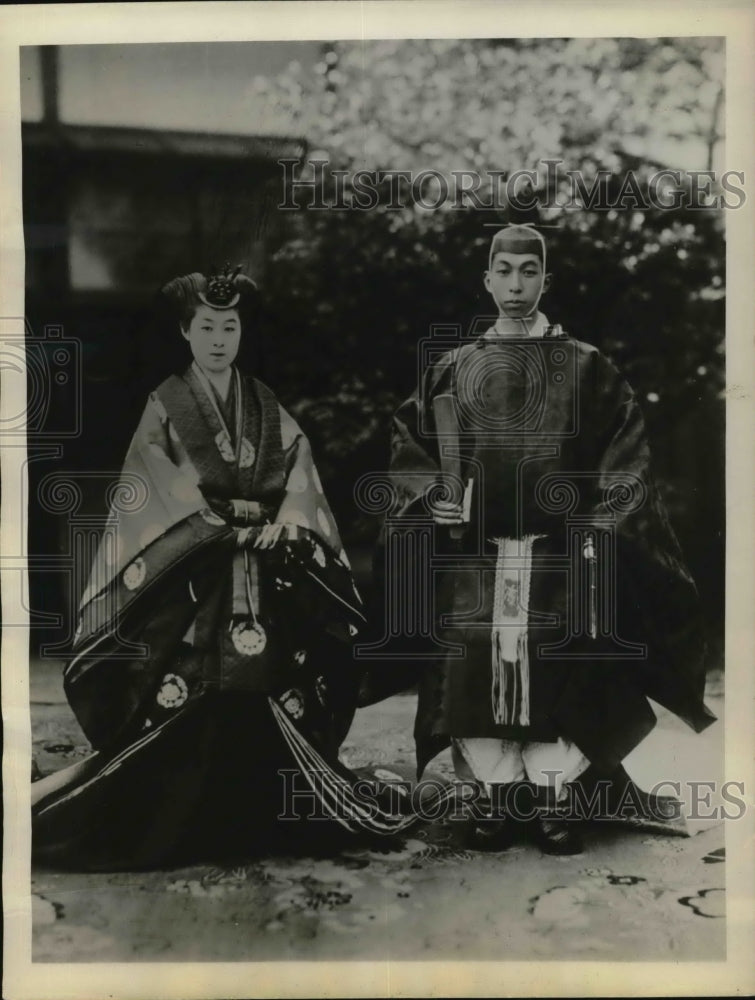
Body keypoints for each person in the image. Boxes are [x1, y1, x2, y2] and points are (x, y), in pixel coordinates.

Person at [32, 265, 421, 870]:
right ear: (186, 332)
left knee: (270, 681)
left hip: (265, 566)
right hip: (197, 573)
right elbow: (150, 480)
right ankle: (184, 819)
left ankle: (256, 814)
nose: (219, 338)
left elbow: (300, 472)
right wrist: (215, 527)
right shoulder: (165, 403)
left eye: (230, 326)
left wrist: (286, 526)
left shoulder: (266, 405)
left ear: (241, 333)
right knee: (191, 686)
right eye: (207, 326)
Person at [362, 224, 716, 855]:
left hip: (560, 555)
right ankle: (496, 799)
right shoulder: (454, 368)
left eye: (530, 272)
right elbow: (413, 451)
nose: (517, 285)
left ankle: (555, 800)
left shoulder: (586, 367)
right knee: (472, 655)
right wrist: (433, 501)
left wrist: (597, 530)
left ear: (545, 281)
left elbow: (624, 462)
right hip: (477, 554)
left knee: (564, 653)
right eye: (505, 271)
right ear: (488, 279)